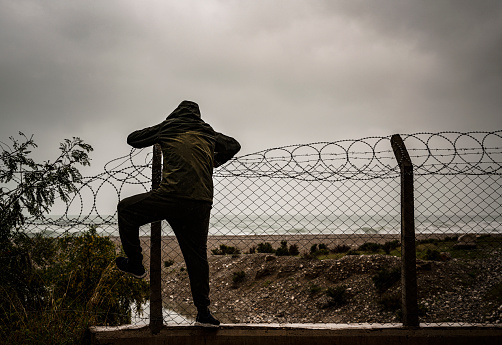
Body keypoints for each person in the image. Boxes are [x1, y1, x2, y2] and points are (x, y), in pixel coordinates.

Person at [115, 100, 240, 326]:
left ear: (175, 113)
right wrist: (214, 161)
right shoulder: (207, 132)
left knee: (126, 210)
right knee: (196, 256)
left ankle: (135, 264)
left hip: (171, 197)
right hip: (201, 202)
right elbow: (233, 145)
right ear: (198, 116)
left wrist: (161, 128)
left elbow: (133, 139)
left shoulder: (169, 127)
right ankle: (204, 313)